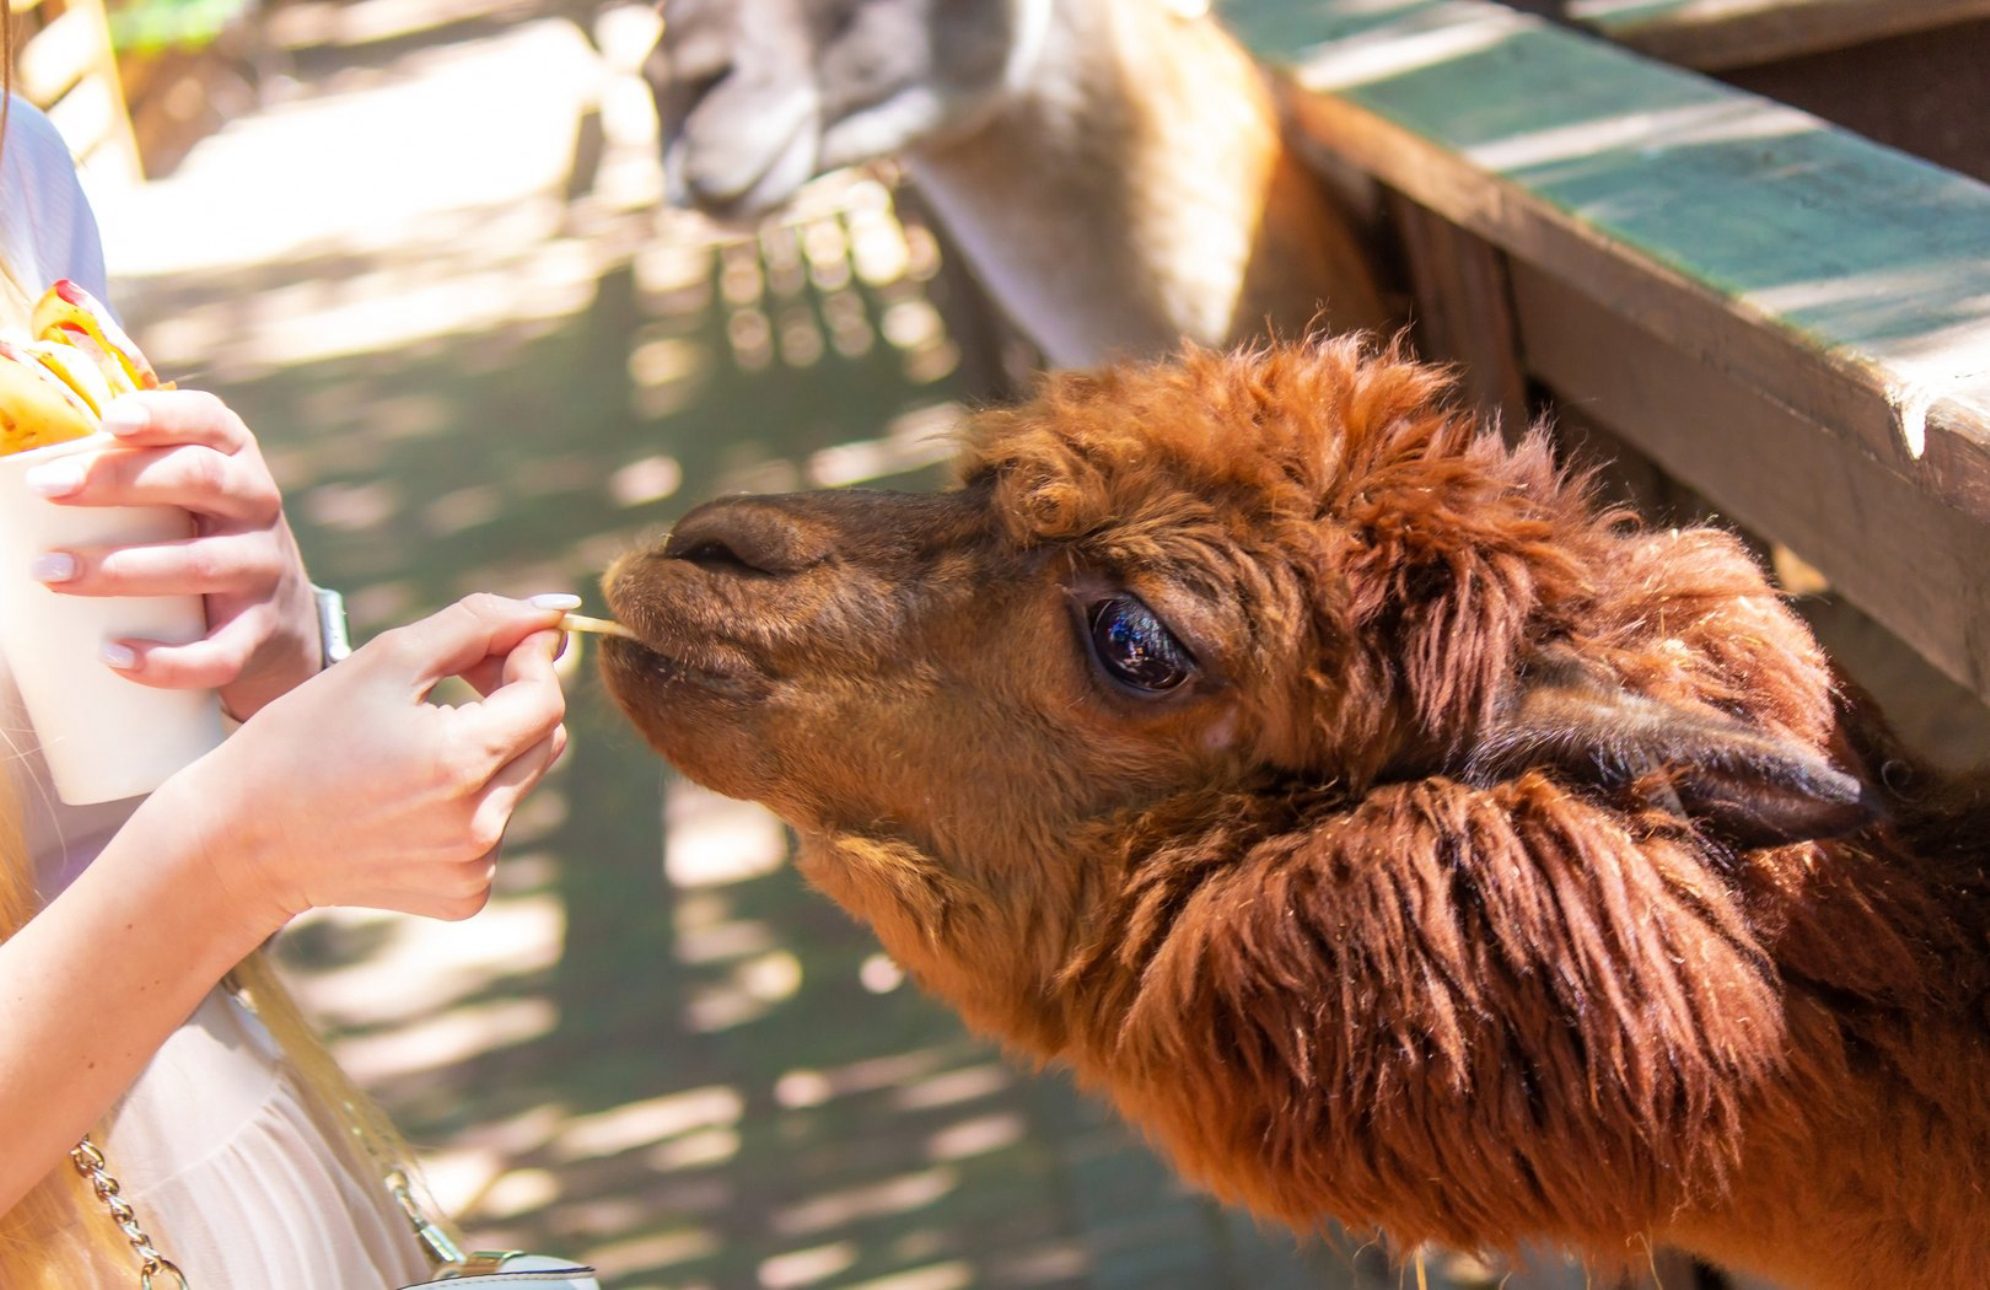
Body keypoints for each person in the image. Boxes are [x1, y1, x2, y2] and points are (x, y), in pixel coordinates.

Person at [0, 72, 573, 1290]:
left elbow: (87, 814)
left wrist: (265, 650)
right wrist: (246, 854)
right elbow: (200, 858)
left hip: (220, 1152)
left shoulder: (20, 160)